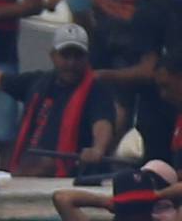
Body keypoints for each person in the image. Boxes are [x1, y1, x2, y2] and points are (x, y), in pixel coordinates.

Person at [11, 23, 113, 177]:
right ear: (53, 55)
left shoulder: (97, 90)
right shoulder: (37, 81)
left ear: (87, 57)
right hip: (28, 166)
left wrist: (98, 149)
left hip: (69, 174)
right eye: (65, 55)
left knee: (45, 165)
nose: (71, 63)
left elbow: (102, 123)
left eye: (77, 56)